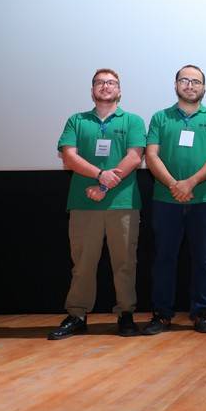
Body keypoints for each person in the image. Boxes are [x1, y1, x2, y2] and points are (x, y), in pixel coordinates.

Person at [49, 68, 146, 339]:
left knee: (125, 262)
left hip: (123, 204)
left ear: (119, 90)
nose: (106, 86)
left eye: (111, 82)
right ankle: (77, 315)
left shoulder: (133, 121)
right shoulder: (76, 121)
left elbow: (134, 157)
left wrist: (103, 185)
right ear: (92, 90)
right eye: (100, 82)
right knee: (82, 263)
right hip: (84, 204)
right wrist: (100, 174)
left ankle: (125, 314)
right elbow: (69, 156)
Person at [143, 64, 206, 334]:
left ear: (204, 88)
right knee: (164, 258)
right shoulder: (160, 117)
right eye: (184, 80)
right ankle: (161, 314)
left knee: (203, 259)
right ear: (176, 85)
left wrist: (190, 183)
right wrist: (174, 185)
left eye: (196, 81)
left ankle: (202, 312)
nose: (190, 85)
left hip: (204, 199)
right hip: (166, 199)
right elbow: (151, 155)